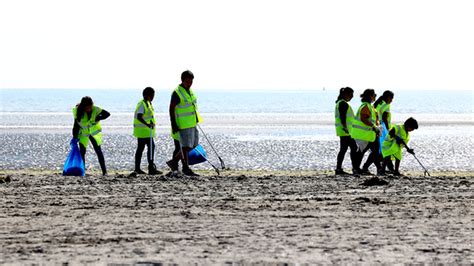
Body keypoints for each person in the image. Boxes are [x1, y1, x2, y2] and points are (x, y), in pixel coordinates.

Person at [166, 70, 202, 177]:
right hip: (183, 125)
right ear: (182, 80)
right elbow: (171, 109)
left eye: (191, 81)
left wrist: (196, 118)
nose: (189, 83)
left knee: (193, 145)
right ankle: (184, 167)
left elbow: (192, 107)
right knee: (185, 146)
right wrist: (173, 124)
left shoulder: (190, 92)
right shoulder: (177, 92)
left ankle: (174, 162)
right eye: (187, 81)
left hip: (192, 123)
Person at [72, 96, 110, 176]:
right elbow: (76, 126)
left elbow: (107, 114)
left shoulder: (96, 109)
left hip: (93, 133)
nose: (89, 109)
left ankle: (104, 172)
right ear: (83, 107)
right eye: (87, 108)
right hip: (83, 134)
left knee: (98, 151)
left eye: (90, 107)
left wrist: (98, 117)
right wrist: (74, 137)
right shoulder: (78, 112)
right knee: (82, 152)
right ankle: (83, 171)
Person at [351, 89, 382, 175]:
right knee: (364, 151)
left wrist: (377, 127)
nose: (375, 97)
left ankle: (361, 168)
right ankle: (359, 168)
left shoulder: (368, 106)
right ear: (371, 96)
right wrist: (374, 126)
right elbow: (363, 118)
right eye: (374, 95)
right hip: (364, 134)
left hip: (369, 134)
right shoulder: (366, 106)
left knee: (369, 151)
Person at [133, 87, 162, 175]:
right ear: (148, 95)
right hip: (143, 132)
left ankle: (149, 167)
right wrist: (147, 124)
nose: (153, 97)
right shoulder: (142, 104)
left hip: (147, 132)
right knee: (142, 149)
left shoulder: (148, 103)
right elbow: (139, 116)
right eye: (152, 95)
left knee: (149, 148)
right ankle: (142, 168)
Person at [334, 87, 358, 175]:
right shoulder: (343, 104)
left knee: (344, 149)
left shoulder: (340, 103)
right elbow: (342, 116)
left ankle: (339, 169)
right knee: (353, 148)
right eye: (351, 95)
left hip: (344, 130)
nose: (352, 97)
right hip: (346, 131)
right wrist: (345, 127)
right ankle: (354, 168)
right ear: (345, 94)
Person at [373, 90, 395, 172]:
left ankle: (384, 167)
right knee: (386, 147)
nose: (392, 100)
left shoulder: (377, 104)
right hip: (383, 127)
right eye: (391, 98)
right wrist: (388, 129)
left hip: (377, 126)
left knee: (379, 148)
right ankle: (389, 168)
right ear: (388, 97)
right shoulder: (386, 105)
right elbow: (385, 118)